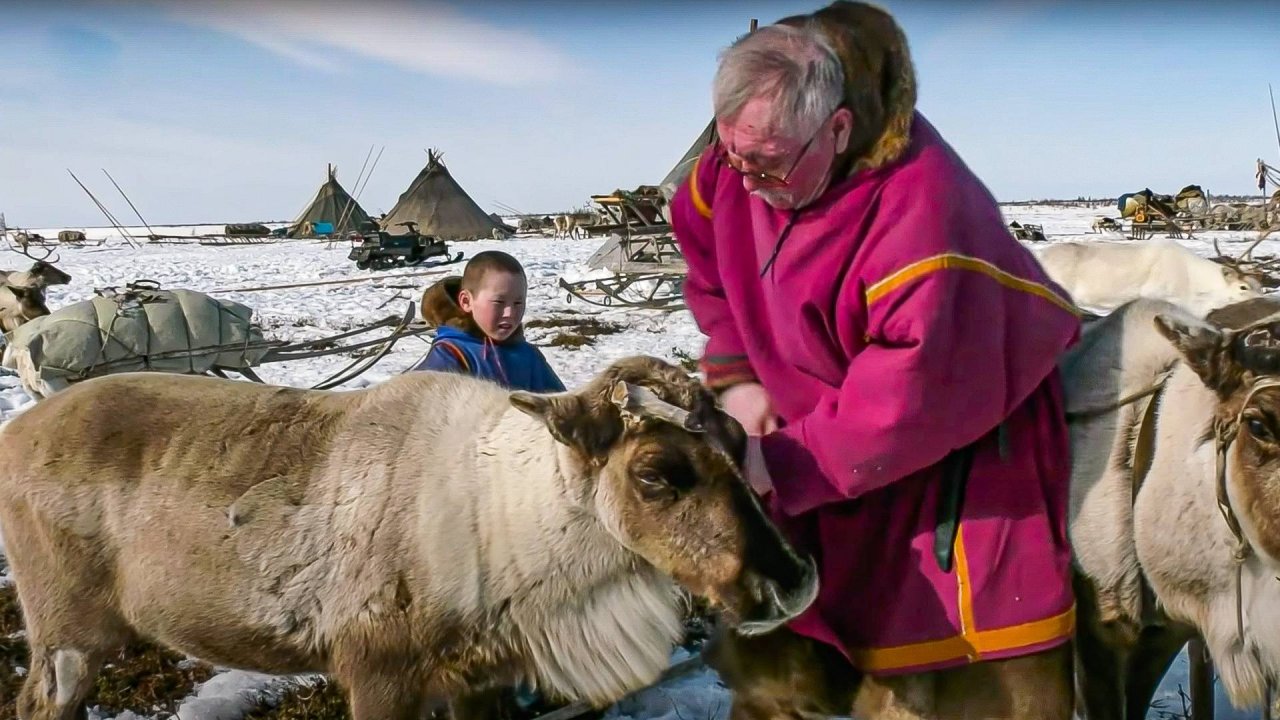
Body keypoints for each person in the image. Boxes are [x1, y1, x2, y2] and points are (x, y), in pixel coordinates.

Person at [669, 3, 1082, 719]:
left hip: (947, 439)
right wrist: (737, 373)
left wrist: (789, 464)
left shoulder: (925, 211)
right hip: (808, 420)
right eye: (731, 151)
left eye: (764, 163)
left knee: (938, 668)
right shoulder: (732, 170)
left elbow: (913, 386)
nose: (742, 176)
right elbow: (710, 266)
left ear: (838, 128)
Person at [408, 250, 566, 393]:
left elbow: (560, 407)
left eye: (518, 303)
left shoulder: (528, 356)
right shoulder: (451, 354)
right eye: (499, 302)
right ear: (466, 301)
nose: (510, 313)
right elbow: (418, 406)